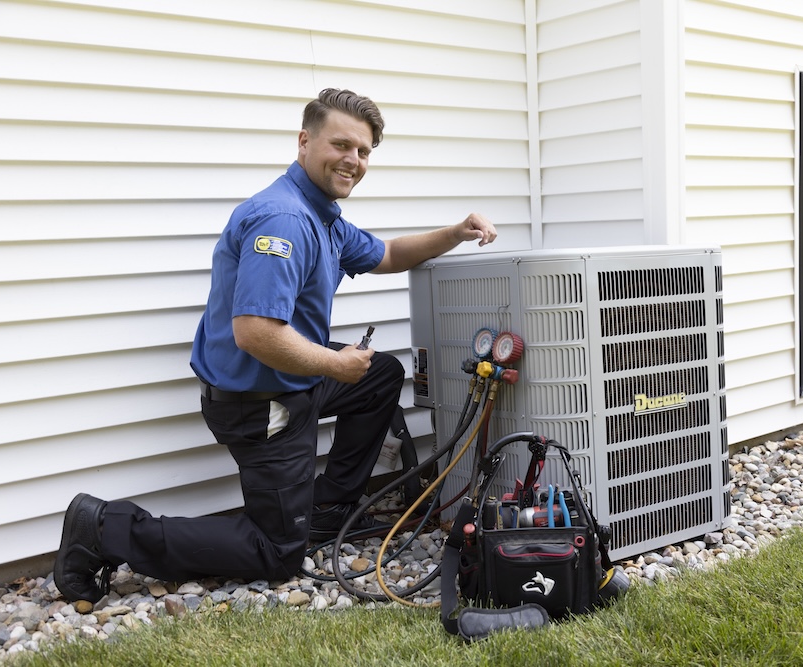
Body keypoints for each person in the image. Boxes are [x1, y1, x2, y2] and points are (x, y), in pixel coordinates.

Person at [54, 88, 498, 602]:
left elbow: (392, 252)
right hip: (259, 405)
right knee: (278, 550)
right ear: (304, 141)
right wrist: (334, 362)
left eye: (365, 151)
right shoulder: (284, 221)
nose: (354, 160)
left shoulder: (322, 214)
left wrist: (457, 231)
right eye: (342, 145)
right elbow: (256, 333)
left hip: (290, 380)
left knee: (378, 375)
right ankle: (104, 527)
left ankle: (327, 508)